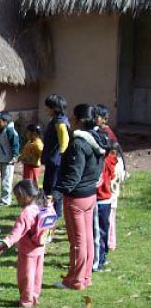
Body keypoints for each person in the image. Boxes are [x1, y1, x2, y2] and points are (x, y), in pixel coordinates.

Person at [55, 104, 107, 291]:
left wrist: (57, 192)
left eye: (72, 116)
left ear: (79, 120)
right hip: (90, 195)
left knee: (77, 242)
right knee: (86, 238)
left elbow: (73, 174)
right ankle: (85, 277)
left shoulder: (78, 143)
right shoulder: (98, 138)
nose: (70, 119)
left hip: (76, 197)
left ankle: (75, 281)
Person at [0, 180, 56, 308]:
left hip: (28, 251)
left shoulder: (26, 213)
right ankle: (34, 296)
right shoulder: (45, 205)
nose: (17, 200)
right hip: (40, 247)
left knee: (26, 276)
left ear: (26, 196)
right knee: (37, 275)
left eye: (18, 197)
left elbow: (17, 232)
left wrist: (4, 244)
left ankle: (26, 301)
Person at [41, 94, 71, 216]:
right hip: (52, 160)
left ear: (55, 108)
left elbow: (64, 142)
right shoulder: (56, 120)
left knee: (53, 188)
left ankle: (56, 214)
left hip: (56, 161)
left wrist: (61, 157)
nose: (46, 110)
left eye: (48, 107)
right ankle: (48, 211)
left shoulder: (60, 122)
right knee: (47, 186)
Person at [94, 142, 120, 272]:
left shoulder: (100, 162)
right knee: (104, 229)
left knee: (98, 232)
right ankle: (102, 257)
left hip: (99, 199)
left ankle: (98, 261)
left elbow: (98, 181)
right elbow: (113, 175)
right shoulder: (111, 160)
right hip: (107, 199)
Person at [0, 112, 20, 206]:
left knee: (6, 181)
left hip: (8, 160)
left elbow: (15, 144)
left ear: (5, 121)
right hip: (2, 159)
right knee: (4, 180)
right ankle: (4, 198)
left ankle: (6, 201)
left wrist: (14, 156)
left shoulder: (10, 131)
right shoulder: (1, 130)